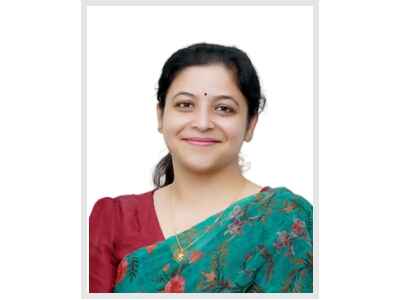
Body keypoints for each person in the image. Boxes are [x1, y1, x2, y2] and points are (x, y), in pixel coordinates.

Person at [89, 42, 313, 293]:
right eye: (185, 105)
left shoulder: (285, 220)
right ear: (160, 116)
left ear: (250, 124)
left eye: (223, 109)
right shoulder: (113, 220)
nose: (203, 123)